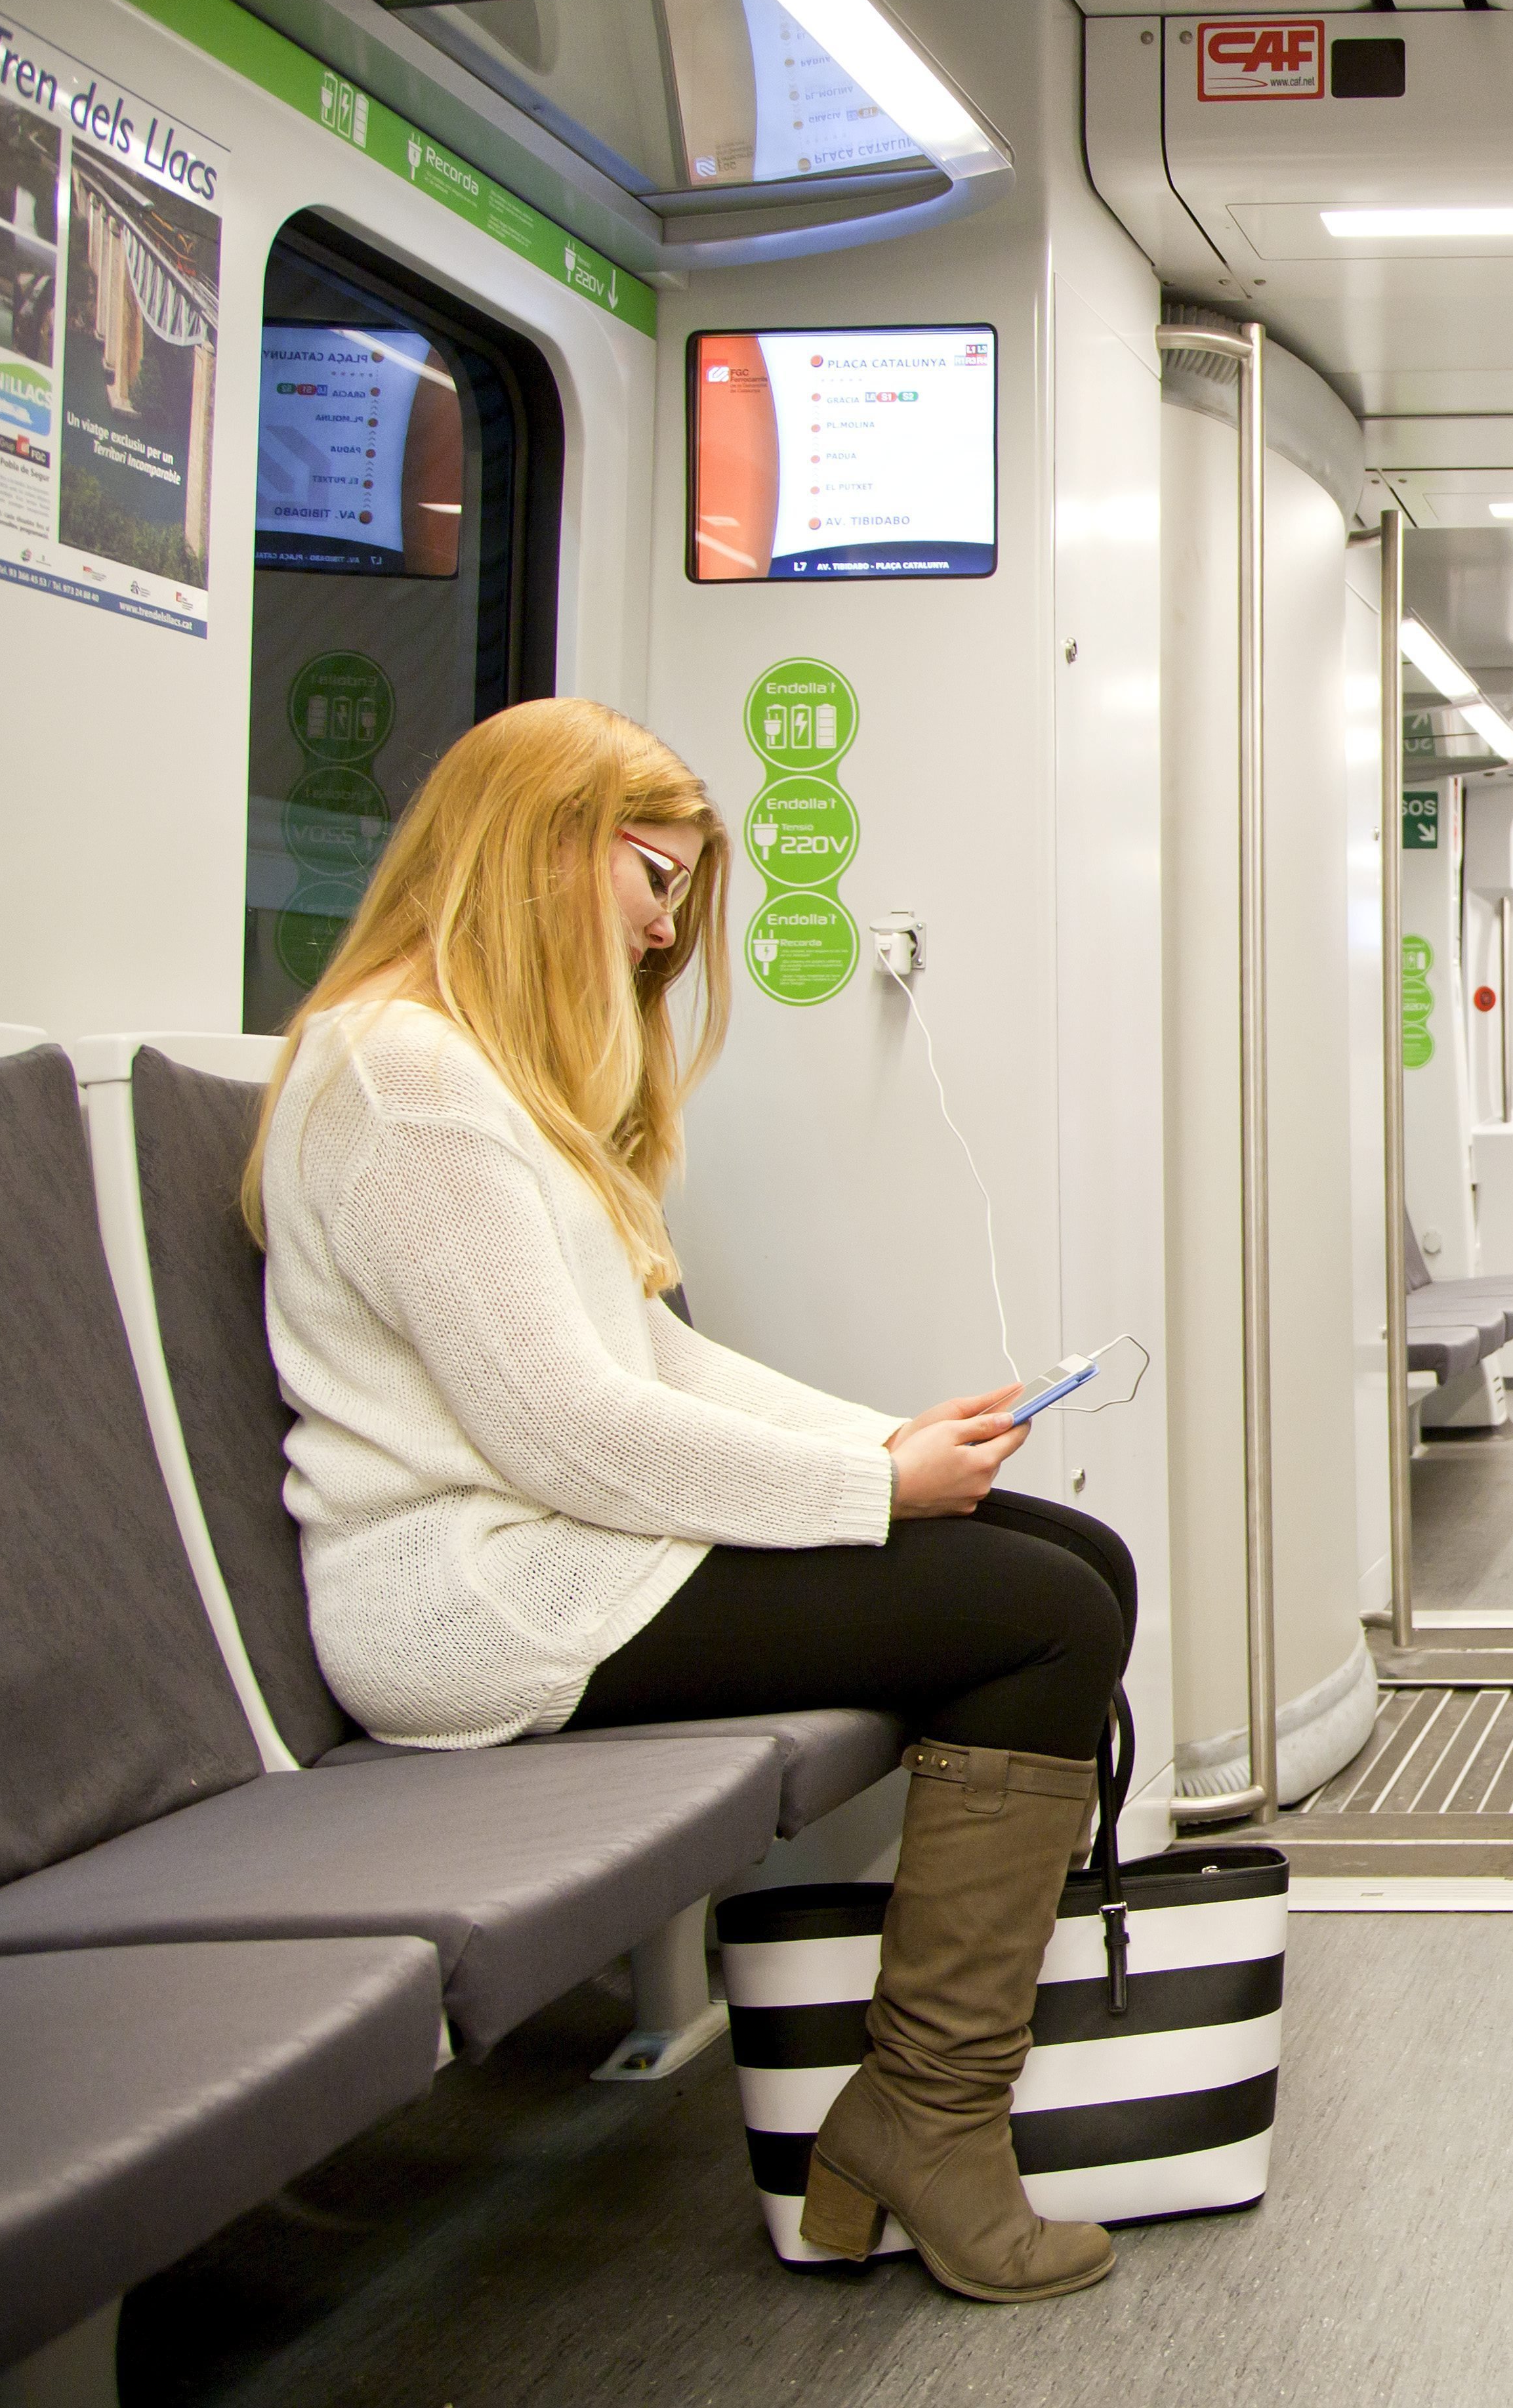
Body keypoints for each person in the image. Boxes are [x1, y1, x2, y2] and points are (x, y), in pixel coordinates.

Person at [245, 698, 1131, 2307]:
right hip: (474, 1598)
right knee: (1049, 1610)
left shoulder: (478, 1073)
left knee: (1072, 1554)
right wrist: (870, 1486)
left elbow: (645, 1353)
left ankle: (921, 2109)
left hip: (560, 1551)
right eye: (652, 875)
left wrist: (891, 1441)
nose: (667, 925)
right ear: (532, 852)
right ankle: (930, 2116)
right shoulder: (404, 1075)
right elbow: (565, 1428)